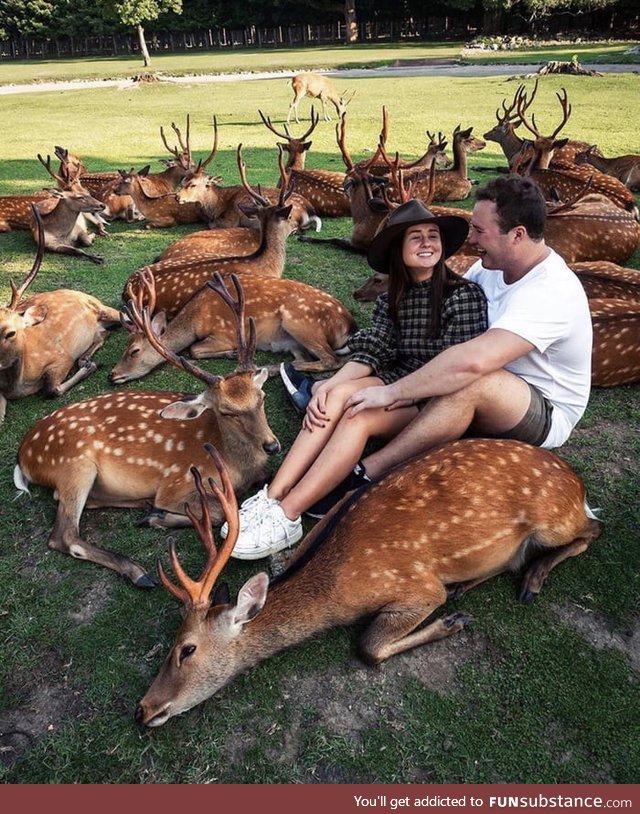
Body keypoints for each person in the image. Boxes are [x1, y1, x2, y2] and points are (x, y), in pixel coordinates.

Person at [225, 198, 489, 560]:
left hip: (435, 400)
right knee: (333, 399)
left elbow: (453, 371)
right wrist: (330, 385)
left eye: (433, 236)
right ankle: (272, 496)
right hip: (397, 381)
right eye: (417, 237)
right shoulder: (392, 298)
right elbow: (373, 350)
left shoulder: (464, 296)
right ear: (399, 249)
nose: (428, 243)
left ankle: (289, 515)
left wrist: (390, 394)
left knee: (355, 415)